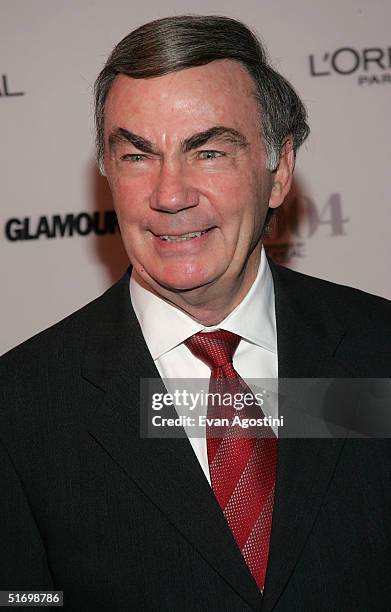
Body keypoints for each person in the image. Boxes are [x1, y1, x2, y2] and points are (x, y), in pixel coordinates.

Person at [1, 15, 390, 612]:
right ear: (106, 172)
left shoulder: (377, 350)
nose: (170, 194)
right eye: (136, 156)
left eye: (207, 151)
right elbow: (21, 600)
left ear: (279, 169)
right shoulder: (22, 405)